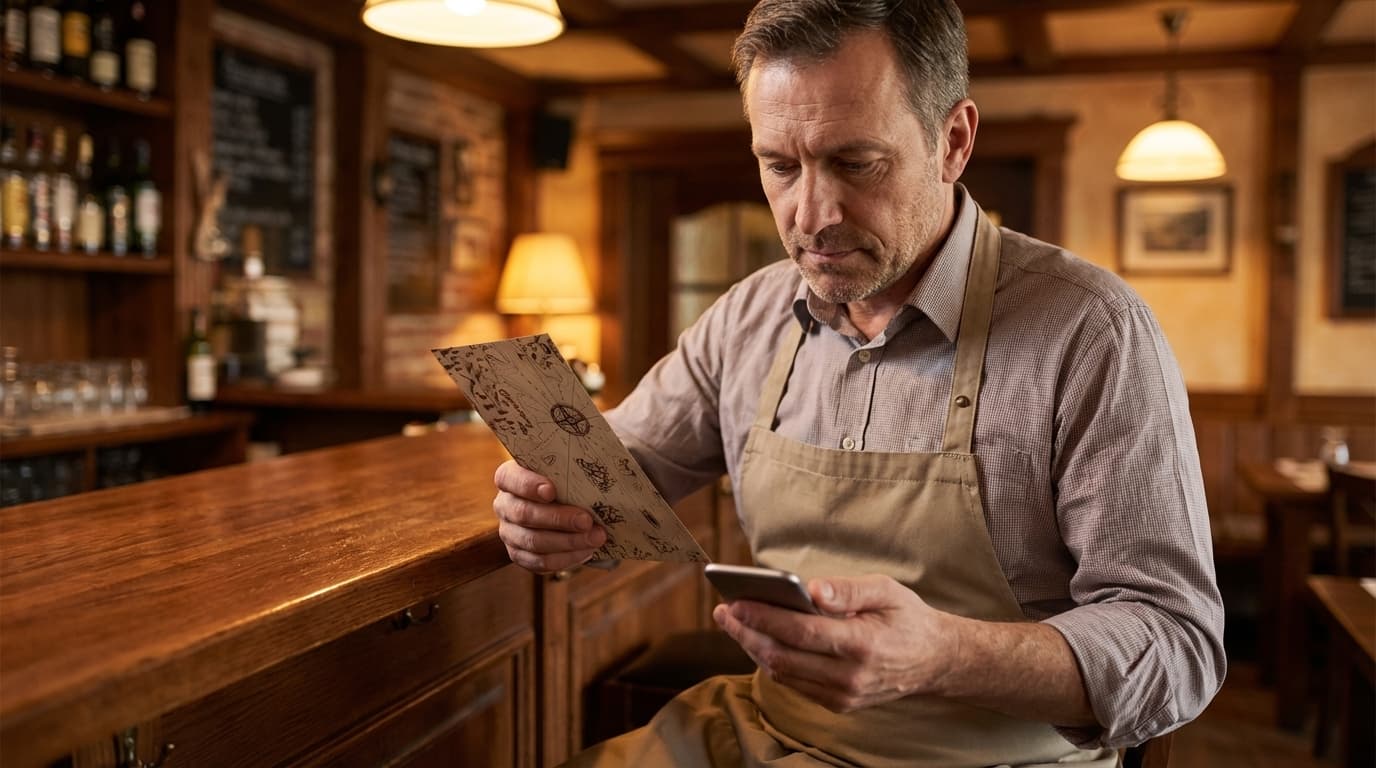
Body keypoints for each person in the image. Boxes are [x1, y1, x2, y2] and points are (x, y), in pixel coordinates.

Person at [491, 0, 1226, 764]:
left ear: (953, 141)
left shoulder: (1091, 330)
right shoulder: (746, 319)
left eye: (855, 163)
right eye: (780, 166)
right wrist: (553, 510)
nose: (812, 215)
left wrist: (943, 656)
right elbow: (614, 480)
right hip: (769, 733)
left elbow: (1178, 644)